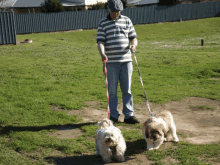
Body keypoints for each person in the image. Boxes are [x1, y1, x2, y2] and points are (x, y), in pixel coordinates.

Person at [96, 0, 139, 124]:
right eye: (114, 11)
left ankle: (129, 115)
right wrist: (102, 53)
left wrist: (133, 45)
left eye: (118, 11)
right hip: (111, 63)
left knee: (127, 90)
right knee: (112, 91)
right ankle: (114, 115)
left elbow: (133, 37)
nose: (116, 14)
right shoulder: (103, 23)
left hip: (126, 61)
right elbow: (100, 41)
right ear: (109, 10)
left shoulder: (127, 20)